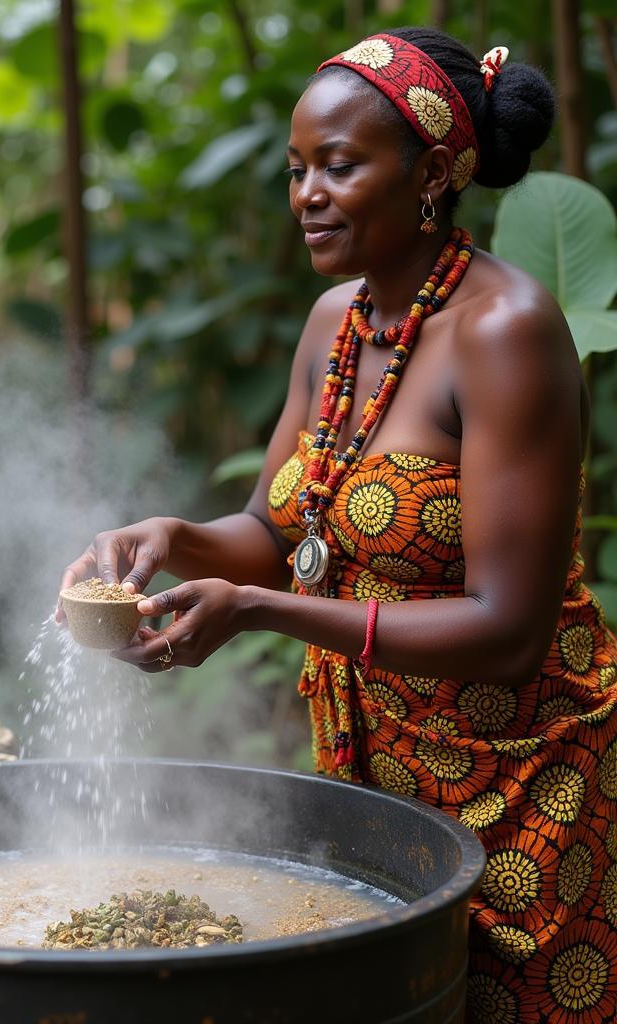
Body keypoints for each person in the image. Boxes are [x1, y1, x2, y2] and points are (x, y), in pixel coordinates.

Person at [59, 26, 617, 1024]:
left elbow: (507, 627)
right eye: (295, 169)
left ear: (434, 172)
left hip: (531, 787)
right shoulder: (336, 323)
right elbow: (278, 531)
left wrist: (262, 612)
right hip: (379, 782)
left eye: (339, 165)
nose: (305, 194)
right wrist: (169, 541)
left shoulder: (505, 333)